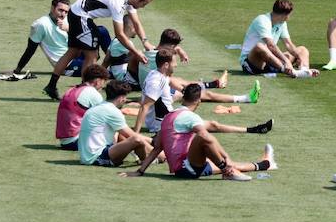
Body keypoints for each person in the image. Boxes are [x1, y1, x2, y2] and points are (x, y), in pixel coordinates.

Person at [128, 84, 276, 181]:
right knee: (203, 137)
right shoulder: (190, 117)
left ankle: (265, 164)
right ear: (198, 101)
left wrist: (140, 171)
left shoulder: (168, 116)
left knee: (232, 164)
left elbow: (157, 148)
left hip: (186, 167)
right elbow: (206, 137)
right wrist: (225, 156)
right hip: (186, 167)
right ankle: (227, 171)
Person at [45, 0, 153, 100]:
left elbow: (136, 22)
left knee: (73, 52)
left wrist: (145, 41)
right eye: (144, 4)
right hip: (81, 17)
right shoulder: (118, 3)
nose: (143, 7)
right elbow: (120, 34)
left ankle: (52, 86)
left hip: (77, 14)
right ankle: (83, 92)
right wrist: (137, 53)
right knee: (92, 56)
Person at [135, 50, 259, 134]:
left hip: (167, 118)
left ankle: (246, 99)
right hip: (164, 125)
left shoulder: (155, 74)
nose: (176, 65)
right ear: (166, 65)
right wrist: (136, 134)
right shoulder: (156, 81)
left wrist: (184, 90)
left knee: (200, 97)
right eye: (174, 62)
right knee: (212, 125)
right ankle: (251, 129)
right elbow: (144, 107)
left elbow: (170, 81)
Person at [77, 80, 153, 167]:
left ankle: (149, 157)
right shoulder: (112, 111)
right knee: (136, 140)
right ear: (121, 98)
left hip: (88, 156)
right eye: (125, 97)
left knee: (123, 135)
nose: (125, 100)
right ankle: (148, 160)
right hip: (97, 157)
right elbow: (133, 136)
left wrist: (152, 141)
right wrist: (157, 151)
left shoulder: (99, 106)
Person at [240, 0, 314, 78]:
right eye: (289, 15)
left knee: (302, 50)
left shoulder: (282, 23)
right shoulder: (262, 20)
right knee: (260, 46)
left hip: (271, 61)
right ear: (284, 15)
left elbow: (288, 44)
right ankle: (291, 72)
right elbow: (271, 45)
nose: (288, 18)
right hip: (253, 63)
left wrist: (300, 58)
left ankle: (304, 71)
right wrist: (286, 61)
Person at [13, 0, 75, 76]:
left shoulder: (66, 20)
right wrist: (18, 70)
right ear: (52, 8)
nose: (63, 14)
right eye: (60, 10)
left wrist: (68, 29)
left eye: (66, 12)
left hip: (75, 56)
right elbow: (30, 50)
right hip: (65, 65)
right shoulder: (41, 25)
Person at [55, 64, 110, 151]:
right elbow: (107, 117)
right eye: (103, 81)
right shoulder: (92, 93)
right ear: (98, 81)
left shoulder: (71, 90)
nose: (103, 86)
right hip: (77, 141)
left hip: (65, 141)